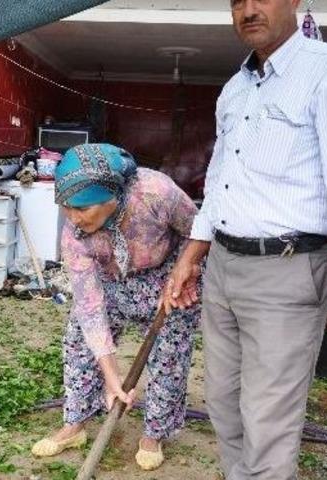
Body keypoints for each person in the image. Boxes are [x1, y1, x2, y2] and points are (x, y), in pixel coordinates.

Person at [163, 1, 327, 479]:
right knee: (223, 403)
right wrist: (193, 252)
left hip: (288, 270)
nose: (248, 9)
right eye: (237, 1)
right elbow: (221, 179)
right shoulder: (236, 88)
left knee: (268, 420)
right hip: (224, 267)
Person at [31, 143, 201, 471]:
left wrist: (188, 270)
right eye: (65, 207)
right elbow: (89, 305)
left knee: (169, 355)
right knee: (80, 340)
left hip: (168, 277)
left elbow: (198, 231)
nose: (74, 218)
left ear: (112, 195)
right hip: (111, 280)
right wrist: (112, 377)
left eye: (82, 208)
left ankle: (154, 434)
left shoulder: (157, 194)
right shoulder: (75, 234)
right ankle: (75, 424)